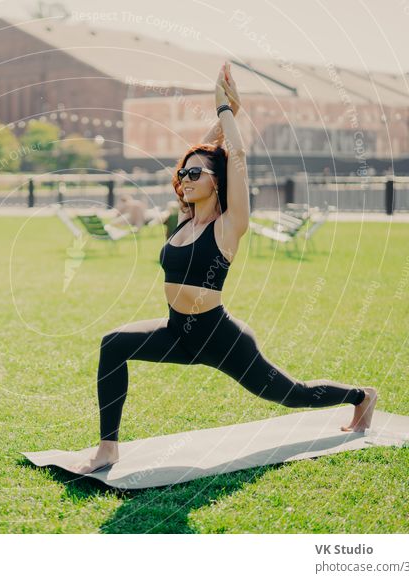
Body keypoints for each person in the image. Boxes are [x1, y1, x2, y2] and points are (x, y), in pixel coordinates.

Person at [74, 63, 378, 473]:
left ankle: (361, 396)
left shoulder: (229, 227)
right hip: (175, 331)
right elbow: (202, 155)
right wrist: (223, 113)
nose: (184, 178)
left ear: (216, 182)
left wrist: (225, 111)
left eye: (195, 174)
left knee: (290, 393)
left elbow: (236, 155)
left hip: (220, 338)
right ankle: (108, 447)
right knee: (114, 344)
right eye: (182, 174)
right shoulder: (184, 219)